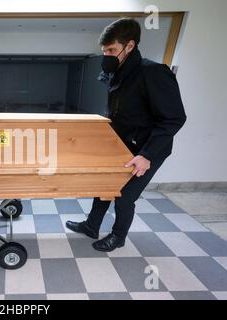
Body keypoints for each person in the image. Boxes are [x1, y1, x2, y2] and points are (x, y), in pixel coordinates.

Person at [66, 18, 187, 252]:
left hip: (147, 149)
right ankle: (92, 226)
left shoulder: (154, 73)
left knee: (124, 196)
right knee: (104, 186)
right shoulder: (118, 74)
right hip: (122, 145)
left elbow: (174, 118)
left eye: (111, 50)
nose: (107, 55)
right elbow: (120, 111)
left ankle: (118, 236)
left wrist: (146, 155)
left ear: (129, 46)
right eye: (104, 51)